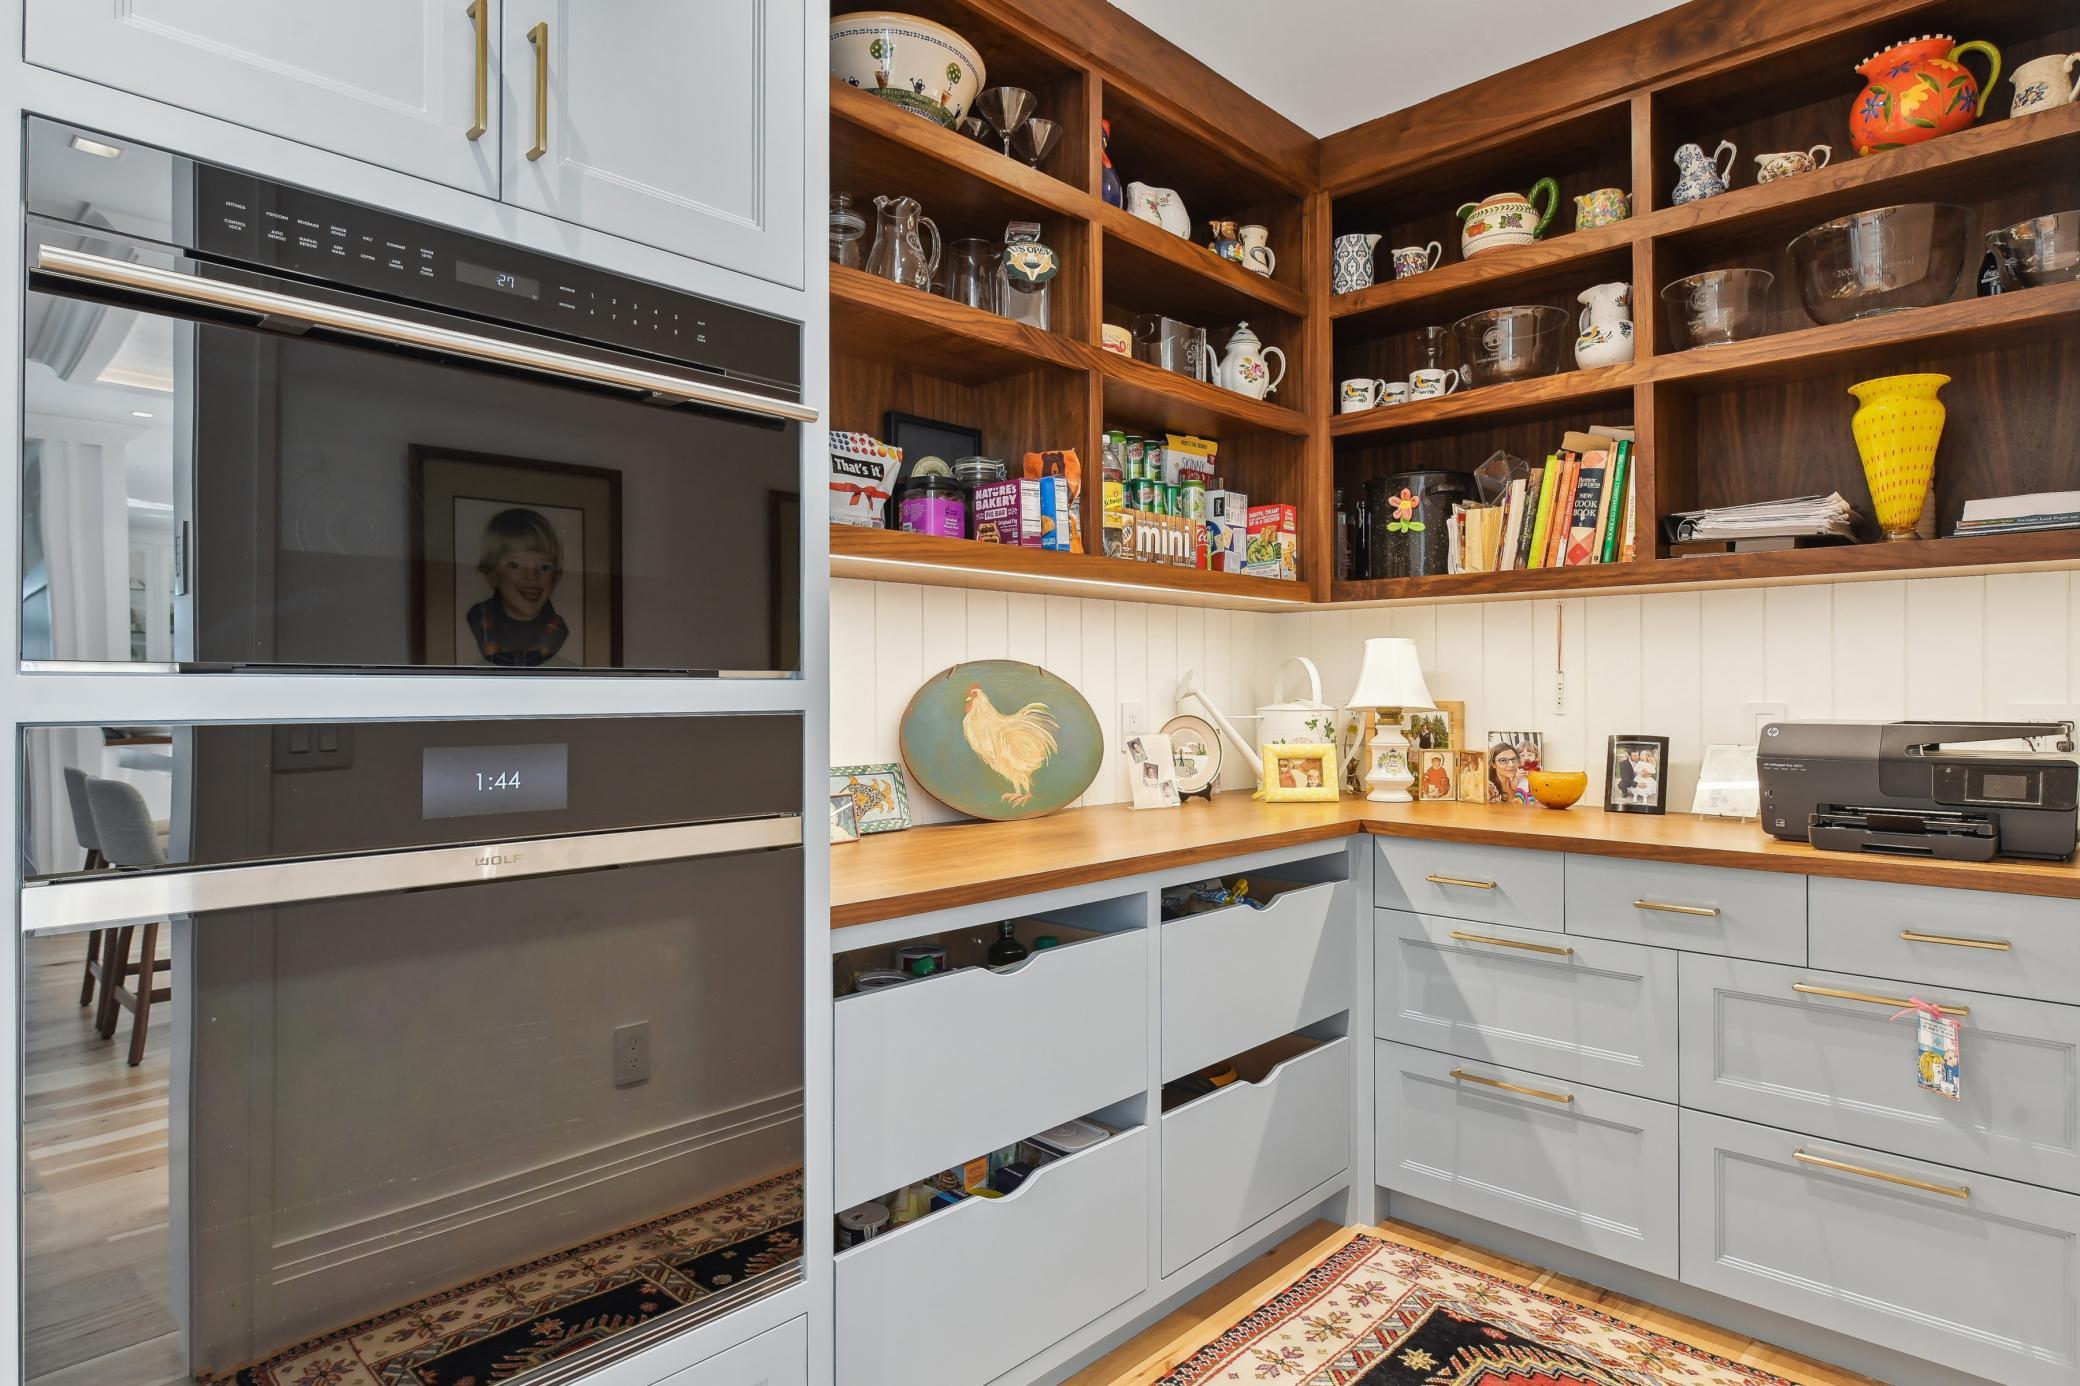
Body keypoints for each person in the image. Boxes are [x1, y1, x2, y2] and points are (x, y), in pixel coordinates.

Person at [466, 507, 572, 667]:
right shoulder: (474, 628)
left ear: (555, 578)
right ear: (491, 574)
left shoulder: (560, 644)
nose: (531, 576)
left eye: (544, 567)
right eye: (515, 565)